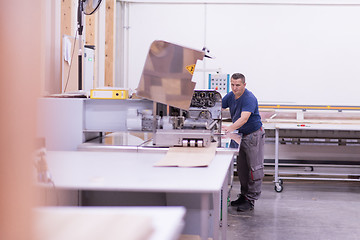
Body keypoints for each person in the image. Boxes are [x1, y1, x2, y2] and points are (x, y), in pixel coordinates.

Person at [222, 73, 265, 212]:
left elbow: (243, 119)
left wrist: (228, 128)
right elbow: (218, 108)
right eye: (232, 85)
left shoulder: (249, 98)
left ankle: (250, 200)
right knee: (242, 170)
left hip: (253, 136)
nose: (235, 88)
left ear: (244, 85)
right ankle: (244, 196)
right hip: (241, 135)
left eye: (238, 85)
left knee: (254, 169)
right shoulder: (230, 96)